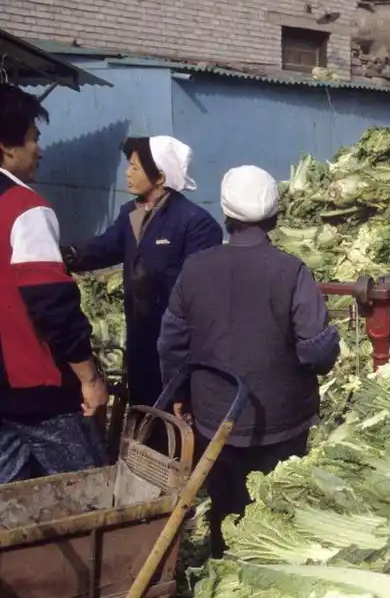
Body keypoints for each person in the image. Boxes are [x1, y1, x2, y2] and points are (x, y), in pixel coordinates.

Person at [157, 166, 340, 557]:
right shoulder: (291, 271)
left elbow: (171, 344)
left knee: (225, 507)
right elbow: (317, 351)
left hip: (215, 419)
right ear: (273, 217)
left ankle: (223, 567)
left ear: (226, 214)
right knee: (279, 512)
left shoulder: (195, 268)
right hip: (283, 422)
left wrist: (180, 393)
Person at [64, 136, 222, 408]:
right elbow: (106, 247)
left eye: (135, 167)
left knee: (172, 413)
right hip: (140, 337)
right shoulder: (131, 213)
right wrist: (67, 254)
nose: (127, 173)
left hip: (175, 344)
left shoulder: (195, 223)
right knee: (143, 409)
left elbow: (197, 291)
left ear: (159, 177)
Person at [0, 85, 108, 483]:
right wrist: (90, 379)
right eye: (33, 139)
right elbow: (52, 305)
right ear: (6, 147)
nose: (39, 151)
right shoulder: (24, 209)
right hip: (37, 393)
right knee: (88, 492)